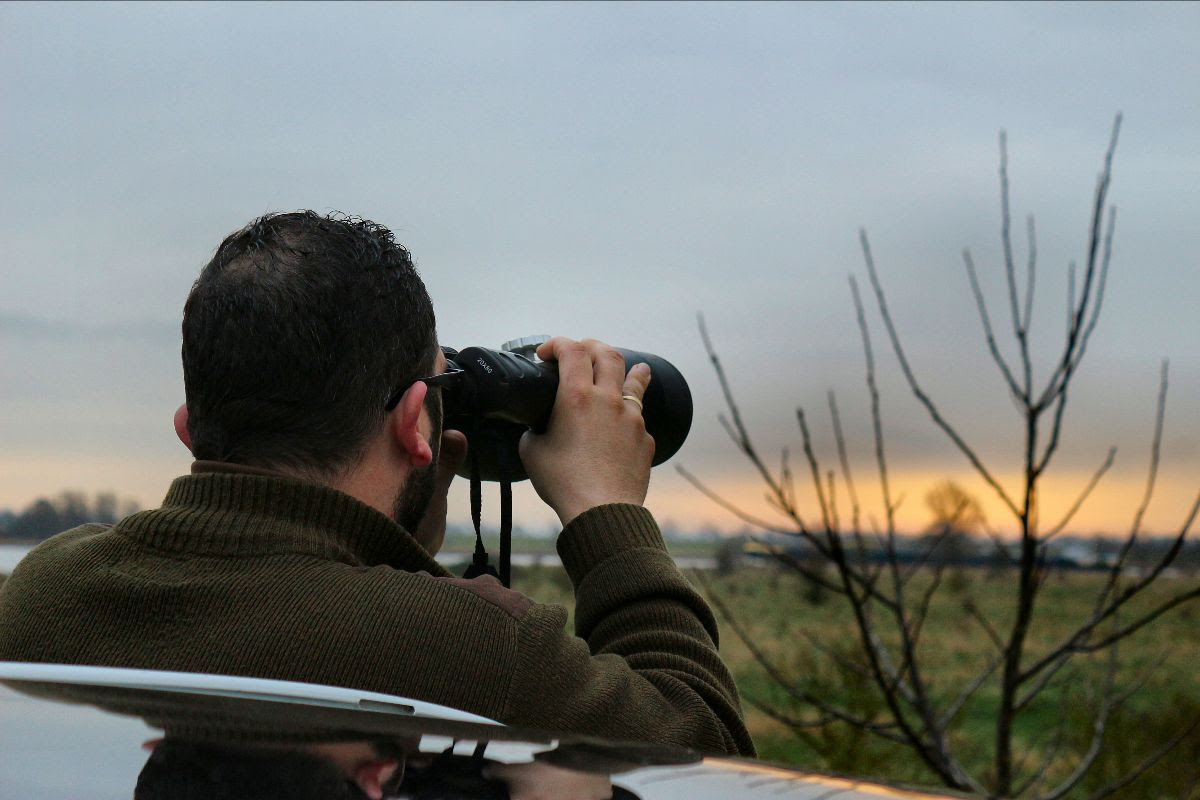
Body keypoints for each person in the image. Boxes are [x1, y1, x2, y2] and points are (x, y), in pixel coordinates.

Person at [0, 211, 754, 757]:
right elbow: (708, 753)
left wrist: (407, 524)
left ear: (191, 427)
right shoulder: (472, 647)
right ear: (416, 422)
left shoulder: (45, 589)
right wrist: (606, 507)